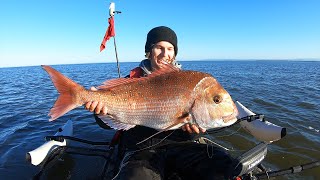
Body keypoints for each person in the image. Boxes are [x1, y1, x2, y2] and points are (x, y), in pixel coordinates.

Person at [85, 26, 234, 180]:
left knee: (222, 165)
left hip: (179, 148)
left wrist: (190, 132)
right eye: (159, 48)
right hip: (140, 151)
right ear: (149, 51)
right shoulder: (129, 82)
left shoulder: (187, 82)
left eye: (170, 49)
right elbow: (105, 123)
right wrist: (98, 112)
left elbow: (190, 127)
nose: (165, 54)